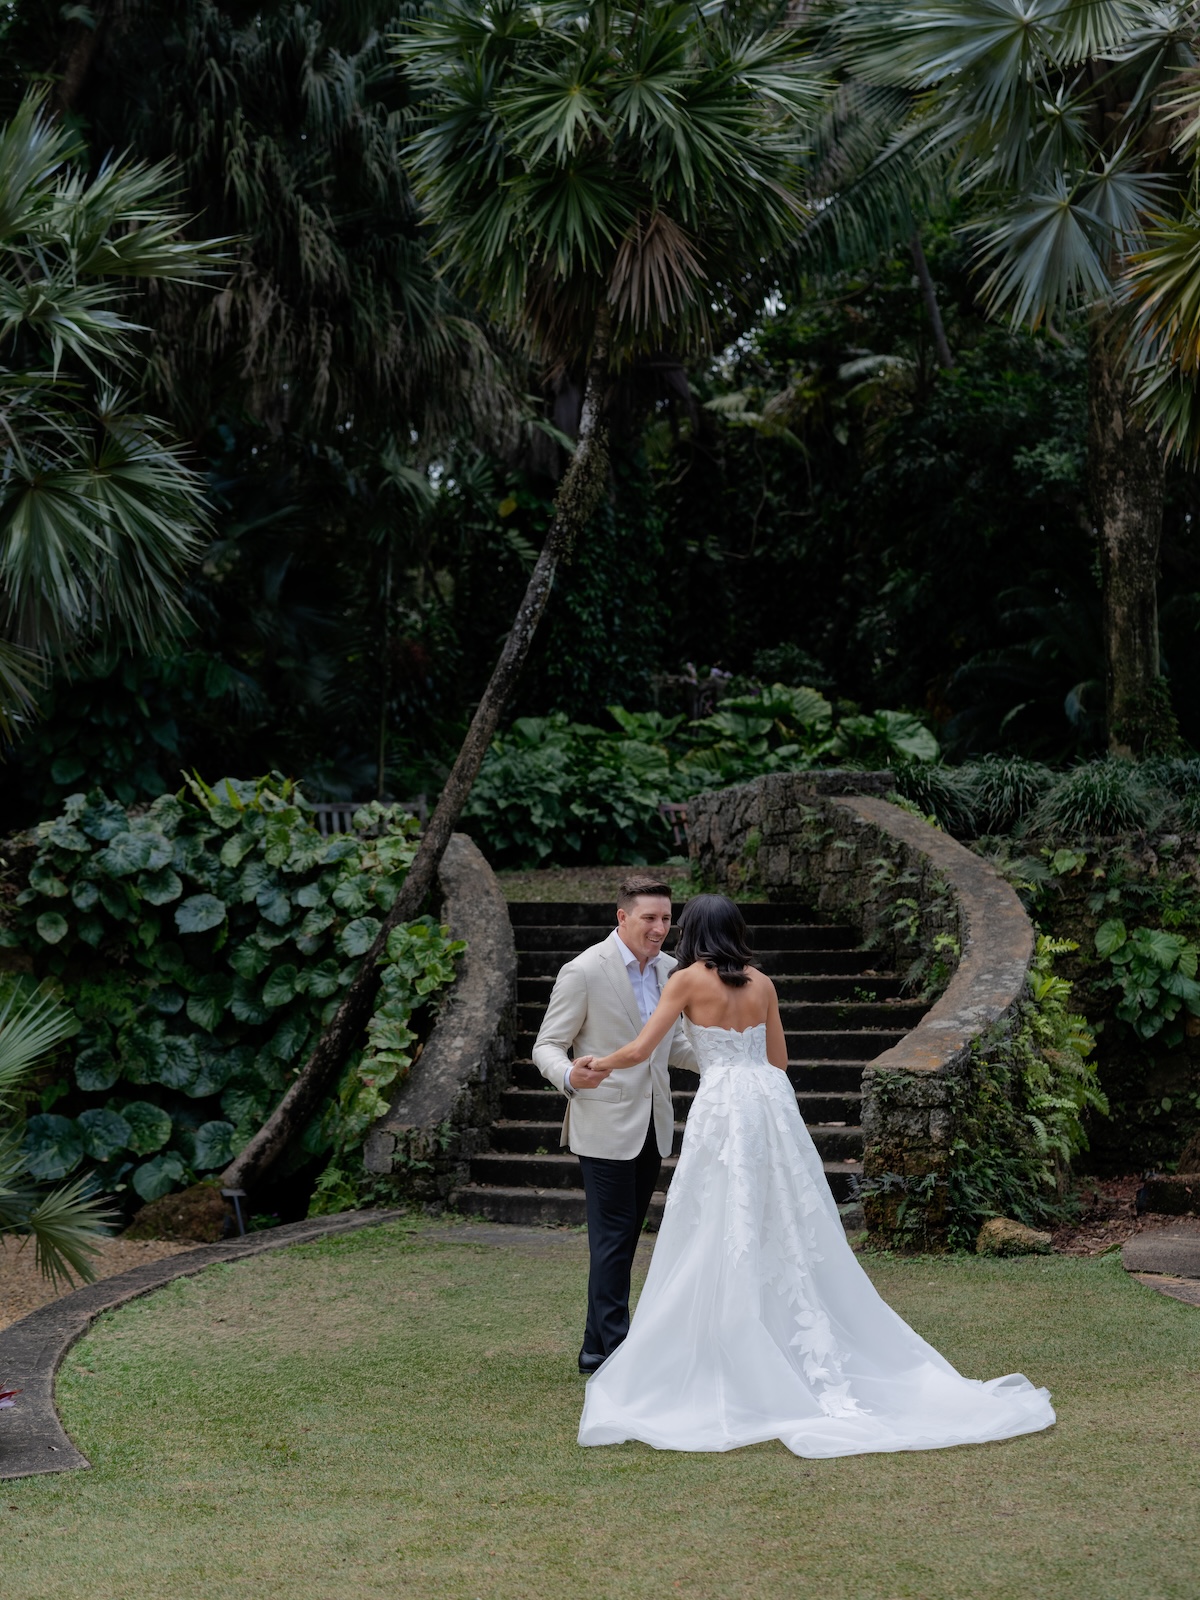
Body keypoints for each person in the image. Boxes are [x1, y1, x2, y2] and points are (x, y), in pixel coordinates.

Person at [572, 893, 1056, 1458]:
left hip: (725, 1106)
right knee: (780, 1216)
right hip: (770, 1104)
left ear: (694, 934)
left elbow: (641, 1049)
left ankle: (728, 1345)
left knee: (720, 1215)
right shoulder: (763, 983)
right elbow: (778, 1059)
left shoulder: (684, 981)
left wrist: (598, 1064)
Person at [533, 876, 699, 1375]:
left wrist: (731, 1062)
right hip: (603, 1120)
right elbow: (546, 1045)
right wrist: (569, 1075)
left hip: (654, 1123)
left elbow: (677, 1048)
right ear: (622, 917)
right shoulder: (583, 970)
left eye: (667, 918)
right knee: (613, 1236)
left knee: (624, 1238)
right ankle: (621, 1352)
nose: (660, 928)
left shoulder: (674, 971)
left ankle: (593, 1348)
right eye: (649, 918)